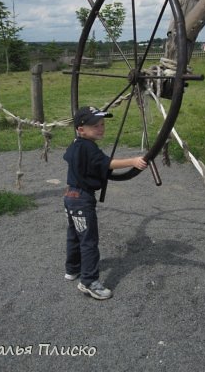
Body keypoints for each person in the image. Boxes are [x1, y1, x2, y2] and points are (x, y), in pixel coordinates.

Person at [63, 106, 147, 300]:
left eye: (102, 124)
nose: (100, 128)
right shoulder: (88, 147)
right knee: (89, 241)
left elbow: (71, 159)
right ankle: (88, 282)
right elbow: (107, 163)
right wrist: (133, 161)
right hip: (82, 200)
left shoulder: (76, 144)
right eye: (95, 126)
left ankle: (72, 269)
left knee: (75, 235)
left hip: (70, 196)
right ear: (81, 129)